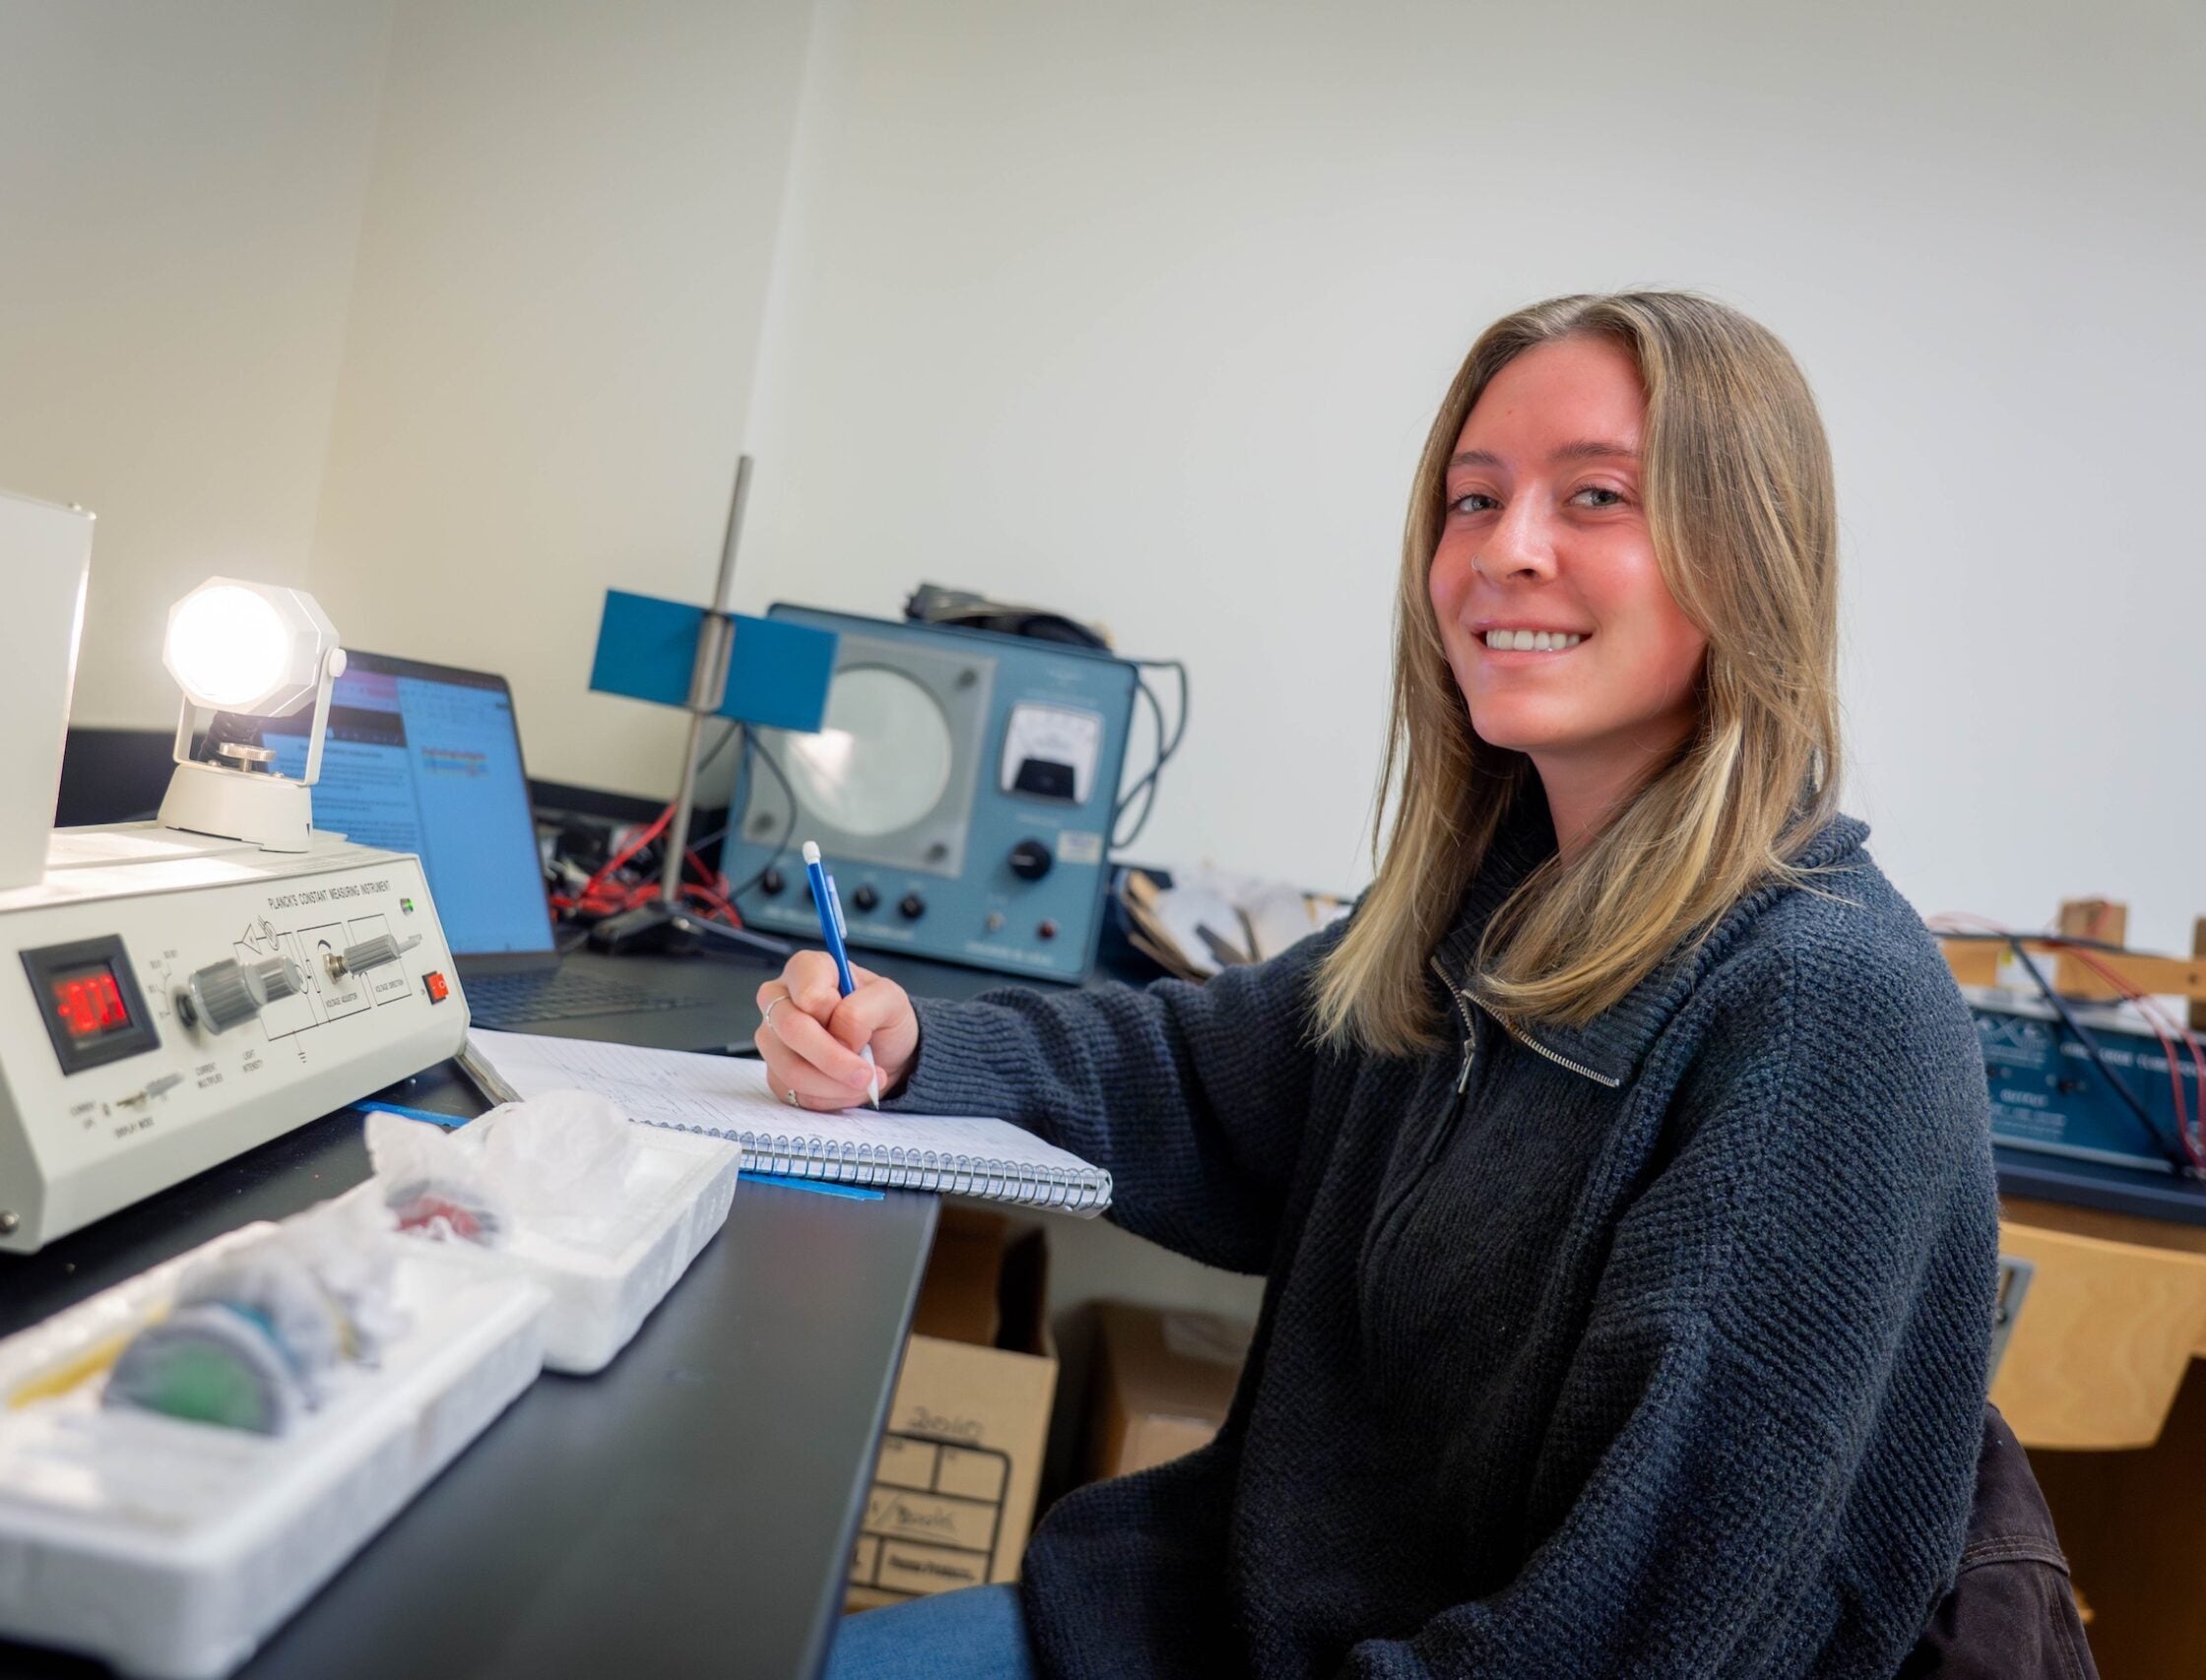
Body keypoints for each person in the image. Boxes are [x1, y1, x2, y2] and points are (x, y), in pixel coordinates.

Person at [767, 292, 2004, 1678]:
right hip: (1207, 1626)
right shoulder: (1497, 904)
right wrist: (918, 1042)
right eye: (1473, 501)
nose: (1505, 552)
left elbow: (1635, 1641)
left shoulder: (1826, 1007)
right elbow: (1208, 1079)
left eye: (1595, 495)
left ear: (1750, 553)